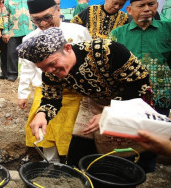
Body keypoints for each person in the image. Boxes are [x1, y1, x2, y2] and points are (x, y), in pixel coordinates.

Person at [17, 27, 153, 171]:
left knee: (123, 157)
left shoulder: (107, 51)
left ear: (68, 48)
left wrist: (112, 112)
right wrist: (42, 114)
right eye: (44, 69)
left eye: (52, 63)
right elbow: (51, 99)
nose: (51, 71)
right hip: (94, 103)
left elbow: (141, 85)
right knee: (78, 153)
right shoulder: (51, 74)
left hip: (130, 103)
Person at [18, 0, 91, 163]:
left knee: (70, 128)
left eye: (47, 17)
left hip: (74, 93)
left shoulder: (79, 31)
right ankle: (51, 160)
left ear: (58, 10)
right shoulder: (29, 39)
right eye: (36, 20)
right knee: (46, 127)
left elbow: (89, 57)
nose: (43, 23)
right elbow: (27, 69)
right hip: (44, 91)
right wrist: (23, 94)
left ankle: (71, 162)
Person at [109, 0, 171, 172]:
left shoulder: (168, 29)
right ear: (129, 10)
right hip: (129, 96)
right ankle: (124, 168)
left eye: (151, 4)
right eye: (141, 5)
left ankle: (145, 170)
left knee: (154, 134)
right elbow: (111, 66)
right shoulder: (117, 34)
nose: (147, 9)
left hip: (160, 95)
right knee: (127, 133)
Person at [1, 0, 34, 82]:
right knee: (11, 54)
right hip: (13, 31)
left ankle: (30, 75)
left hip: (30, 30)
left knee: (31, 54)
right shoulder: (8, 1)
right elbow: (4, 16)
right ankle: (12, 75)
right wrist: (5, 31)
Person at [0, 0, 8, 80]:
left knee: (9, 52)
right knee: (2, 52)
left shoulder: (9, 3)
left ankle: (8, 73)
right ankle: (4, 72)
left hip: (8, 30)